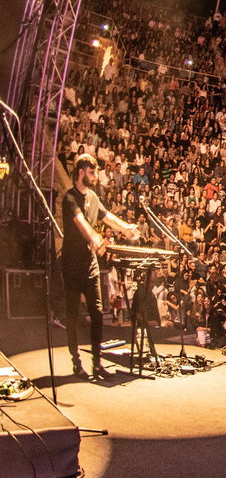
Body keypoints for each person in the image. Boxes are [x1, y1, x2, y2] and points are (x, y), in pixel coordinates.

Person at [60, 154, 142, 378]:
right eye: (92, 172)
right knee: (73, 314)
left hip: (90, 265)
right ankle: (76, 363)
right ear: (80, 172)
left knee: (97, 313)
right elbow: (81, 222)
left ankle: (97, 363)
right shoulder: (70, 198)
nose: (95, 176)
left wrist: (126, 228)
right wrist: (94, 238)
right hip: (71, 265)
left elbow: (108, 217)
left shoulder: (94, 197)